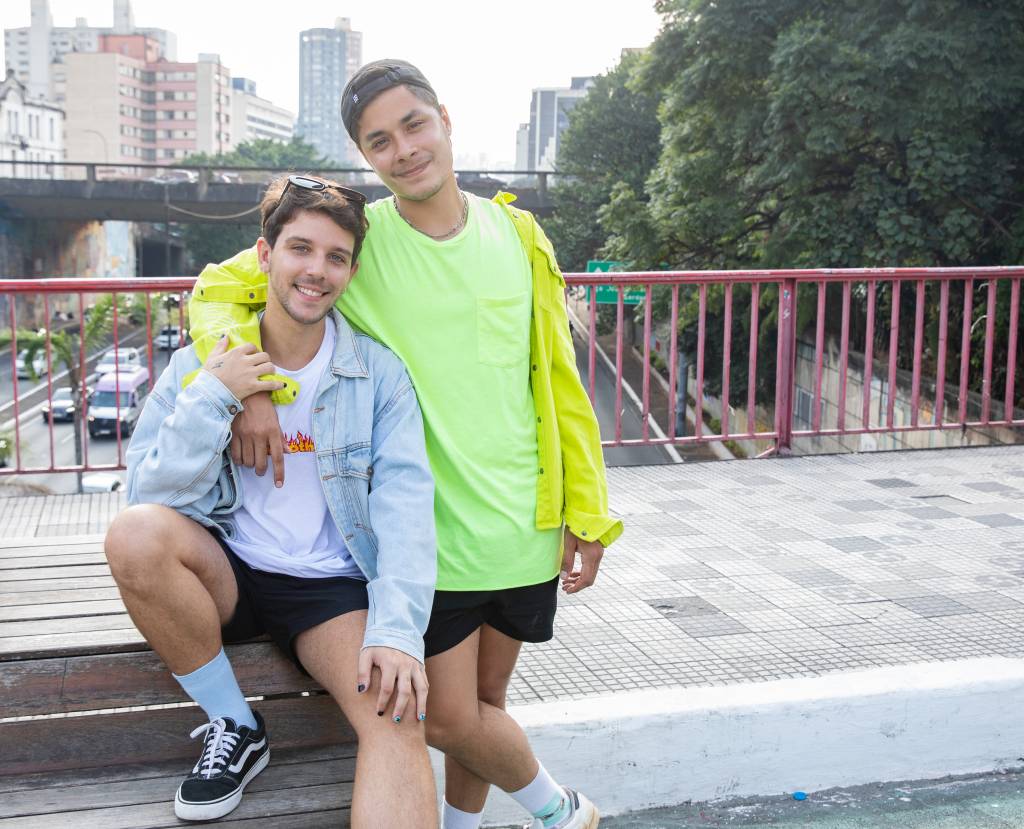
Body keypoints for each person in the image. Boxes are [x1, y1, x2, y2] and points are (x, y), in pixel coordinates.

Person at [187, 59, 623, 829]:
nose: (405, 149)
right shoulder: (360, 241)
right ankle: (563, 811)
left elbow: (558, 381)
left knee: (485, 709)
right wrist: (248, 385)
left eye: (414, 125)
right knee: (450, 718)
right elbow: (219, 290)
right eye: (379, 140)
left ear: (444, 119)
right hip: (428, 539)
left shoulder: (518, 233)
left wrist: (586, 509)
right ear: (367, 156)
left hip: (523, 527)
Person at [104, 174, 438, 827]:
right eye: (300, 249)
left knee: (396, 717)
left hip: (329, 589)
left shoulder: (377, 374)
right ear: (265, 254)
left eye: (335, 257)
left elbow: (405, 508)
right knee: (134, 535)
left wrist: (397, 629)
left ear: (350, 271)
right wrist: (218, 396)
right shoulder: (208, 361)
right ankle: (235, 723)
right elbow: (145, 495)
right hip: (228, 567)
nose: (316, 270)